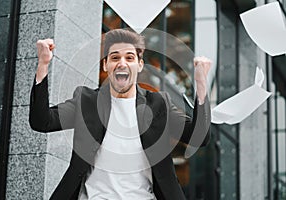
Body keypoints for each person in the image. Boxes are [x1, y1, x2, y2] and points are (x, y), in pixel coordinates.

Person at [29, 29, 212, 200]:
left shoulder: (158, 105)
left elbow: (200, 137)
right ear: (106, 65)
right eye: (115, 57)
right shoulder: (87, 102)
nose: (122, 63)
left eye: (130, 57)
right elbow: (42, 121)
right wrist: (43, 65)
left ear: (139, 65)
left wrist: (201, 84)